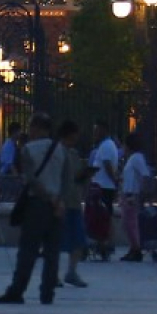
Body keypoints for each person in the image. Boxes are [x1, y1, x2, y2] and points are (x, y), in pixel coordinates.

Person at [0, 112, 71, 306]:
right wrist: (59, 201)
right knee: (52, 252)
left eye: (30, 127)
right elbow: (66, 180)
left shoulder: (28, 150)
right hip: (57, 207)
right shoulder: (61, 149)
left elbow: (31, 180)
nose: (28, 131)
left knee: (28, 250)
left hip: (37, 205)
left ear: (37, 128)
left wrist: (49, 198)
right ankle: (47, 293)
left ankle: (17, 290)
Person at [57, 119, 89, 288]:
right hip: (62, 201)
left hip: (75, 201)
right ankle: (53, 273)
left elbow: (76, 175)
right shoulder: (57, 153)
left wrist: (85, 176)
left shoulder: (74, 154)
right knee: (56, 240)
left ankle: (71, 271)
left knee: (78, 239)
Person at [119, 133, 151, 262]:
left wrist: (140, 194)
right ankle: (133, 247)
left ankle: (136, 249)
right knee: (127, 223)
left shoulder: (137, 158)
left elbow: (145, 175)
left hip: (132, 195)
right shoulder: (132, 158)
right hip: (127, 194)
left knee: (130, 223)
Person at [88, 121, 120, 246]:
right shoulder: (107, 145)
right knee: (105, 215)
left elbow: (107, 165)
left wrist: (114, 180)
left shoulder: (106, 145)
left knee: (103, 215)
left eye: (97, 131)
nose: (94, 134)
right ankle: (105, 241)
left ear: (103, 130)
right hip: (104, 186)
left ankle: (106, 242)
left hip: (103, 187)